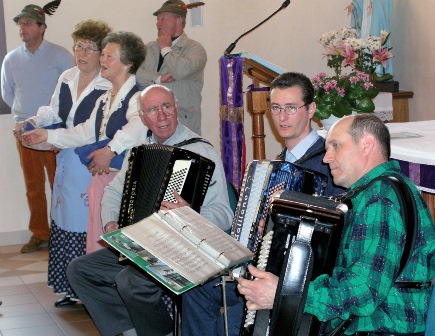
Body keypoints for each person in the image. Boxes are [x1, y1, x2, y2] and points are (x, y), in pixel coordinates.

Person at [237, 114, 435, 335]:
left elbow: (364, 291)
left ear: (367, 144)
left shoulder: (381, 198)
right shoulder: (370, 195)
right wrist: (275, 236)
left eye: (335, 146)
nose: (326, 158)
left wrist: (284, 294)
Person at [181, 72, 344, 336]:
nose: (281, 117)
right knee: (194, 292)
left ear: (311, 109)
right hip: (258, 266)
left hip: (293, 281)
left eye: (291, 108)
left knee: (229, 325)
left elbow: (330, 236)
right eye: (276, 108)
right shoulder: (278, 163)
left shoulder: (329, 162)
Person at [66, 84, 233, 336]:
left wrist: (191, 215)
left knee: (130, 282)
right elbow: (112, 192)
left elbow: (224, 213)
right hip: (145, 245)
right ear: (143, 118)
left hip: (185, 250)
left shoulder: (201, 151)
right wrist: (111, 223)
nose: (162, 115)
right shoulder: (140, 151)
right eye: (152, 110)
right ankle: (133, 330)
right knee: (80, 270)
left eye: (166, 106)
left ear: (176, 109)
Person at [15, 19, 113, 307]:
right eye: (78, 47)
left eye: (90, 48)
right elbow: (54, 109)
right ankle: (70, 288)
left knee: (86, 224)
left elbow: (90, 131)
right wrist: (33, 120)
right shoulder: (68, 76)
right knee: (64, 221)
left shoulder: (107, 85)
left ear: (103, 53)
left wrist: (50, 135)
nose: (82, 53)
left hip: (90, 163)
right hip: (67, 160)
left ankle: (90, 293)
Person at [22, 31, 147, 253]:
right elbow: (85, 132)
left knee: (121, 241)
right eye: (104, 55)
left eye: (109, 56)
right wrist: (47, 135)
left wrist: (110, 150)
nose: (102, 60)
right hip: (104, 178)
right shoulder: (105, 99)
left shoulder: (139, 96)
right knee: (99, 238)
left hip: (126, 180)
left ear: (128, 63)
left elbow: (138, 126)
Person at [1, 2, 74, 253]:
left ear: (42, 27)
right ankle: (40, 234)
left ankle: (63, 232)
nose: (23, 28)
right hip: (24, 132)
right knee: (33, 187)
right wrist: (24, 118)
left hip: (55, 131)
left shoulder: (61, 55)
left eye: (28, 23)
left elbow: (72, 92)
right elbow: (8, 94)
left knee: (60, 184)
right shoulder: (11, 59)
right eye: (20, 24)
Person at [136, 0, 207, 135]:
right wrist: (159, 79)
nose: (158, 23)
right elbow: (136, 76)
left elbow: (181, 71)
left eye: (163, 19)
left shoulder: (195, 49)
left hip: (183, 124)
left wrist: (165, 48)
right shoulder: (149, 49)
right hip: (151, 125)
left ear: (179, 20)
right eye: (157, 20)